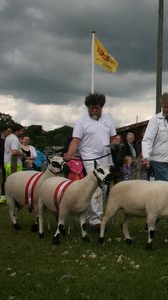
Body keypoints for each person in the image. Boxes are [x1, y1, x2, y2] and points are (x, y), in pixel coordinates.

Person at [63, 92, 116, 231]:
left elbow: (114, 137)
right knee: (95, 188)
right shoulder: (82, 121)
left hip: (105, 158)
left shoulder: (108, 119)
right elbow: (76, 140)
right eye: (91, 108)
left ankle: (90, 214)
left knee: (103, 189)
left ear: (101, 107)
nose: (94, 111)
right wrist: (69, 153)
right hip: (89, 159)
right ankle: (95, 221)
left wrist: (116, 144)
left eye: (97, 108)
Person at [142, 92, 168, 182]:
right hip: (159, 162)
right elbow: (147, 140)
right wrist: (146, 157)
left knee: (167, 190)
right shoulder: (155, 120)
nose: (165, 109)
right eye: (164, 107)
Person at [3, 124, 25, 204]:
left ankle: (8, 198)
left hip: (7, 162)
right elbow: (14, 151)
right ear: (17, 131)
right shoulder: (15, 139)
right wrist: (22, 153)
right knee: (15, 183)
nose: (22, 132)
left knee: (9, 182)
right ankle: (14, 199)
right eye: (21, 130)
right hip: (14, 164)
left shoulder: (8, 137)